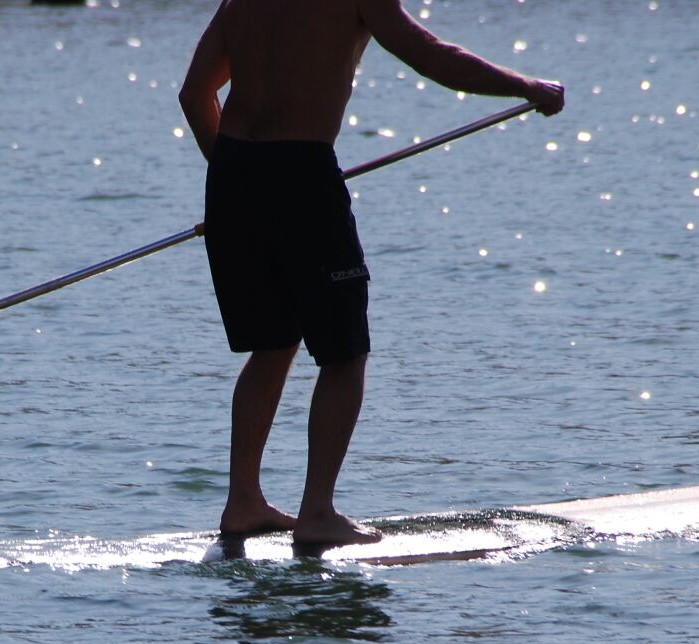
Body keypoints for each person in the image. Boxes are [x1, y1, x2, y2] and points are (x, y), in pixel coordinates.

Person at [180, 0, 564, 547]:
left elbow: (195, 94)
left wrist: (236, 180)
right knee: (344, 354)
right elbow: (429, 54)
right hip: (301, 178)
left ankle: (242, 501)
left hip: (233, 175)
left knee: (272, 343)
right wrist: (526, 86)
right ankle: (317, 512)